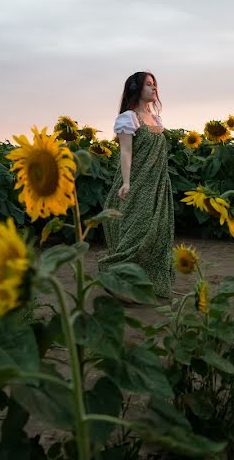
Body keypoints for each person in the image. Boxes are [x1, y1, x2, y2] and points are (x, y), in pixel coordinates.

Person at [100, 71, 174, 299]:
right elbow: (126, 151)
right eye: (149, 85)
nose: (154, 89)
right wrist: (126, 182)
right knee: (138, 232)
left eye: (155, 85)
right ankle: (115, 276)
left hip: (159, 184)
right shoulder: (129, 118)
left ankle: (145, 284)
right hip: (138, 182)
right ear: (137, 89)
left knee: (159, 232)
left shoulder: (156, 119)